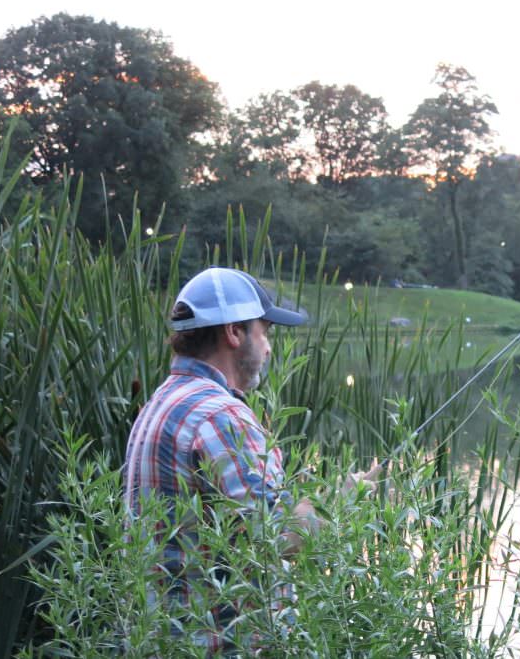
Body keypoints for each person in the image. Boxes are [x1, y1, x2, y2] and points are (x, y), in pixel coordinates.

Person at [123, 267, 380, 652]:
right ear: (233, 333)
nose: (269, 347)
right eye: (265, 332)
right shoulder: (219, 416)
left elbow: (230, 525)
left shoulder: (161, 402)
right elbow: (279, 541)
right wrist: (344, 499)